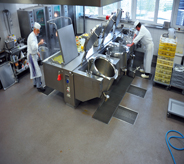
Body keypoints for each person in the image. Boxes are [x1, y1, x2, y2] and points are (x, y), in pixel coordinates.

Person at [27, 22, 45, 92]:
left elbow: (34, 48)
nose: (39, 32)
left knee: (33, 70)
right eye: (38, 30)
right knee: (37, 71)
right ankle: (39, 86)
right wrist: (40, 43)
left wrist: (37, 52)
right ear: (34, 29)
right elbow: (34, 47)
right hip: (31, 56)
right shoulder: (32, 37)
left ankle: (35, 83)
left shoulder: (33, 35)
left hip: (32, 54)